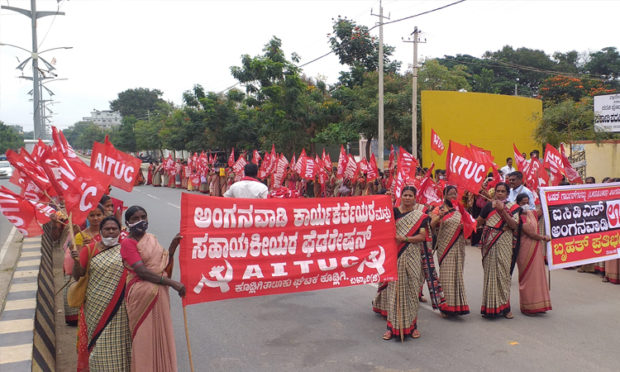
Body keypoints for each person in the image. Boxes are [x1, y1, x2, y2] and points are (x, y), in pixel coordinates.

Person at [120, 206, 185, 372]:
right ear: (127, 222)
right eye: (135, 218)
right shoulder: (128, 243)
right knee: (145, 337)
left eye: (143, 216)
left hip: (158, 293)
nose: (141, 221)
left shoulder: (151, 238)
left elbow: (162, 265)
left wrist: (172, 246)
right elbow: (142, 271)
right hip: (141, 294)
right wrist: (173, 283)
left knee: (162, 332)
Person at [72, 216, 131, 371]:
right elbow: (77, 276)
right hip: (95, 305)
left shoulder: (126, 249)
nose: (111, 232)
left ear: (120, 231)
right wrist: (77, 261)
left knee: (119, 346)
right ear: (101, 231)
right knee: (99, 345)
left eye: (114, 229)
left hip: (120, 308)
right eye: (107, 229)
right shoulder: (90, 249)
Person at [373, 186, 426, 340]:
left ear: (415, 198)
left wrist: (405, 239)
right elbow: (381, 222)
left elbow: (422, 237)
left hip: (412, 256)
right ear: (401, 196)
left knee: (411, 291)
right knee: (394, 292)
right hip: (395, 256)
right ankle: (391, 327)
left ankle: (413, 326)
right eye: (405, 195)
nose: (408, 198)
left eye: (410, 195)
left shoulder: (420, 216)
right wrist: (386, 201)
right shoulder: (393, 212)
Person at [477, 182, 520, 319]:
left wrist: (502, 210)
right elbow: (479, 221)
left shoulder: (514, 207)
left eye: (503, 191)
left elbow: (514, 225)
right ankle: (489, 307)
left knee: (503, 274)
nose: (500, 193)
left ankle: (505, 307)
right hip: (489, 242)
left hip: (504, 242)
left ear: (507, 194)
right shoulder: (488, 206)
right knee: (490, 274)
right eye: (498, 191)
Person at [71, 205, 105, 371]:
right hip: (89, 289)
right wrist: (80, 253)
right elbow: (77, 272)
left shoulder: (111, 235)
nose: (96, 218)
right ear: (87, 217)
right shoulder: (79, 236)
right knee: (89, 330)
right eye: (92, 215)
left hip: (108, 287)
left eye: (99, 215)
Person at [431, 185, 470, 317]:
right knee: (447, 275)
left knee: (456, 274)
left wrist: (464, 226)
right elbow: (431, 224)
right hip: (445, 246)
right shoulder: (439, 209)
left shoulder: (459, 209)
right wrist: (439, 217)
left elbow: (469, 225)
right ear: (445, 195)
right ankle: (445, 306)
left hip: (459, 246)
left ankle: (457, 305)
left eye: (455, 193)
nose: (453, 196)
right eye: (450, 194)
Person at [515, 193, 552, 315]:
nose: (526, 205)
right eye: (523, 203)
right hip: (525, 250)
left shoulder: (532, 213)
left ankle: (540, 304)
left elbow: (542, 210)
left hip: (536, 248)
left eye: (527, 202)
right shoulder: (518, 216)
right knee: (527, 277)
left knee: (538, 275)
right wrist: (543, 237)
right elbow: (531, 233)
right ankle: (528, 306)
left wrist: (542, 194)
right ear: (518, 203)